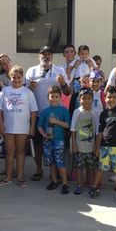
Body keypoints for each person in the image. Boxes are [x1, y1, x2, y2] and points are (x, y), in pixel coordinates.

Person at [25, 46, 71, 181]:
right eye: (43, 54)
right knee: (38, 144)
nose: (46, 56)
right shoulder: (31, 71)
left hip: (56, 115)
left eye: (49, 54)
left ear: (52, 56)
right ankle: (39, 170)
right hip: (39, 114)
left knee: (56, 144)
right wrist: (29, 87)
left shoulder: (60, 70)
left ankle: (55, 172)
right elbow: (24, 92)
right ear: (39, 56)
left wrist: (63, 83)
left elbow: (68, 92)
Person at [0, 65, 38, 187]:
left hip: (23, 128)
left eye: (19, 77)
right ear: (10, 77)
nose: (17, 80)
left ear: (22, 77)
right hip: (8, 127)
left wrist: (32, 126)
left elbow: (33, 111)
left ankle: (20, 177)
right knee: (9, 151)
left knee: (20, 151)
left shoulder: (28, 92)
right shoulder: (5, 91)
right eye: (14, 77)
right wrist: (0, 124)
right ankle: (8, 176)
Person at [91, 86, 116, 202]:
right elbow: (100, 132)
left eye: (114, 97)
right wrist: (97, 146)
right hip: (105, 146)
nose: (111, 99)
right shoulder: (103, 113)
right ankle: (94, 187)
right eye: (109, 97)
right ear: (105, 98)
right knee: (101, 168)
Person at [37, 85, 71, 194]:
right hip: (48, 140)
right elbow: (39, 126)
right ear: (48, 97)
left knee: (60, 162)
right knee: (51, 162)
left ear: (60, 97)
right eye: (52, 96)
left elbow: (67, 125)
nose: (54, 98)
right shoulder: (45, 111)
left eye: (56, 96)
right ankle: (54, 181)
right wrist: (44, 135)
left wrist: (56, 122)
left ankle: (65, 183)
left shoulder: (64, 110)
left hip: (59, 140)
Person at [70, 88, 99, 195]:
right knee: (79, 167)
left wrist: (96, 146)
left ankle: (91, 184)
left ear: (92, 100)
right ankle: (79, 185)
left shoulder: (95, 113)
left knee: (91, 167)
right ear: (80, 99)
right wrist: (74, 144)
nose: (86, 101)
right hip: (79, 146)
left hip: (91, 146)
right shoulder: (76, 112)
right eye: (84, 98)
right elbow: (73, 129)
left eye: (89, 98)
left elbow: (97, 132)